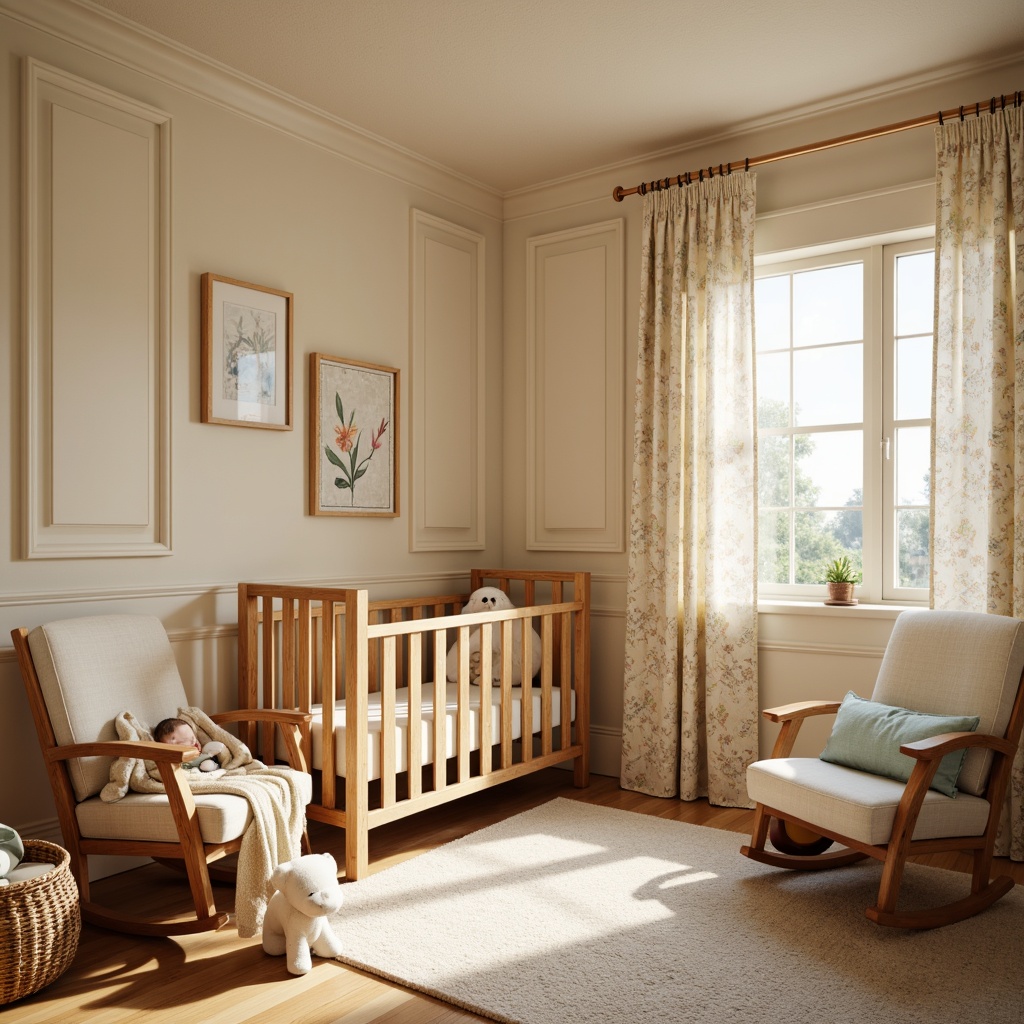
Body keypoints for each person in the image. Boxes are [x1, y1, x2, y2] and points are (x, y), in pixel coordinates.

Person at [153, 717, 226, 771]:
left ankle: (214, 767)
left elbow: (201, 753)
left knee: (208, 762)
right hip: (191, 768)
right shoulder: (173, 757)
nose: (194, 742)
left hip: (203, 760)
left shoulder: (195, 743)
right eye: (188, 740)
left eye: (193, 737)